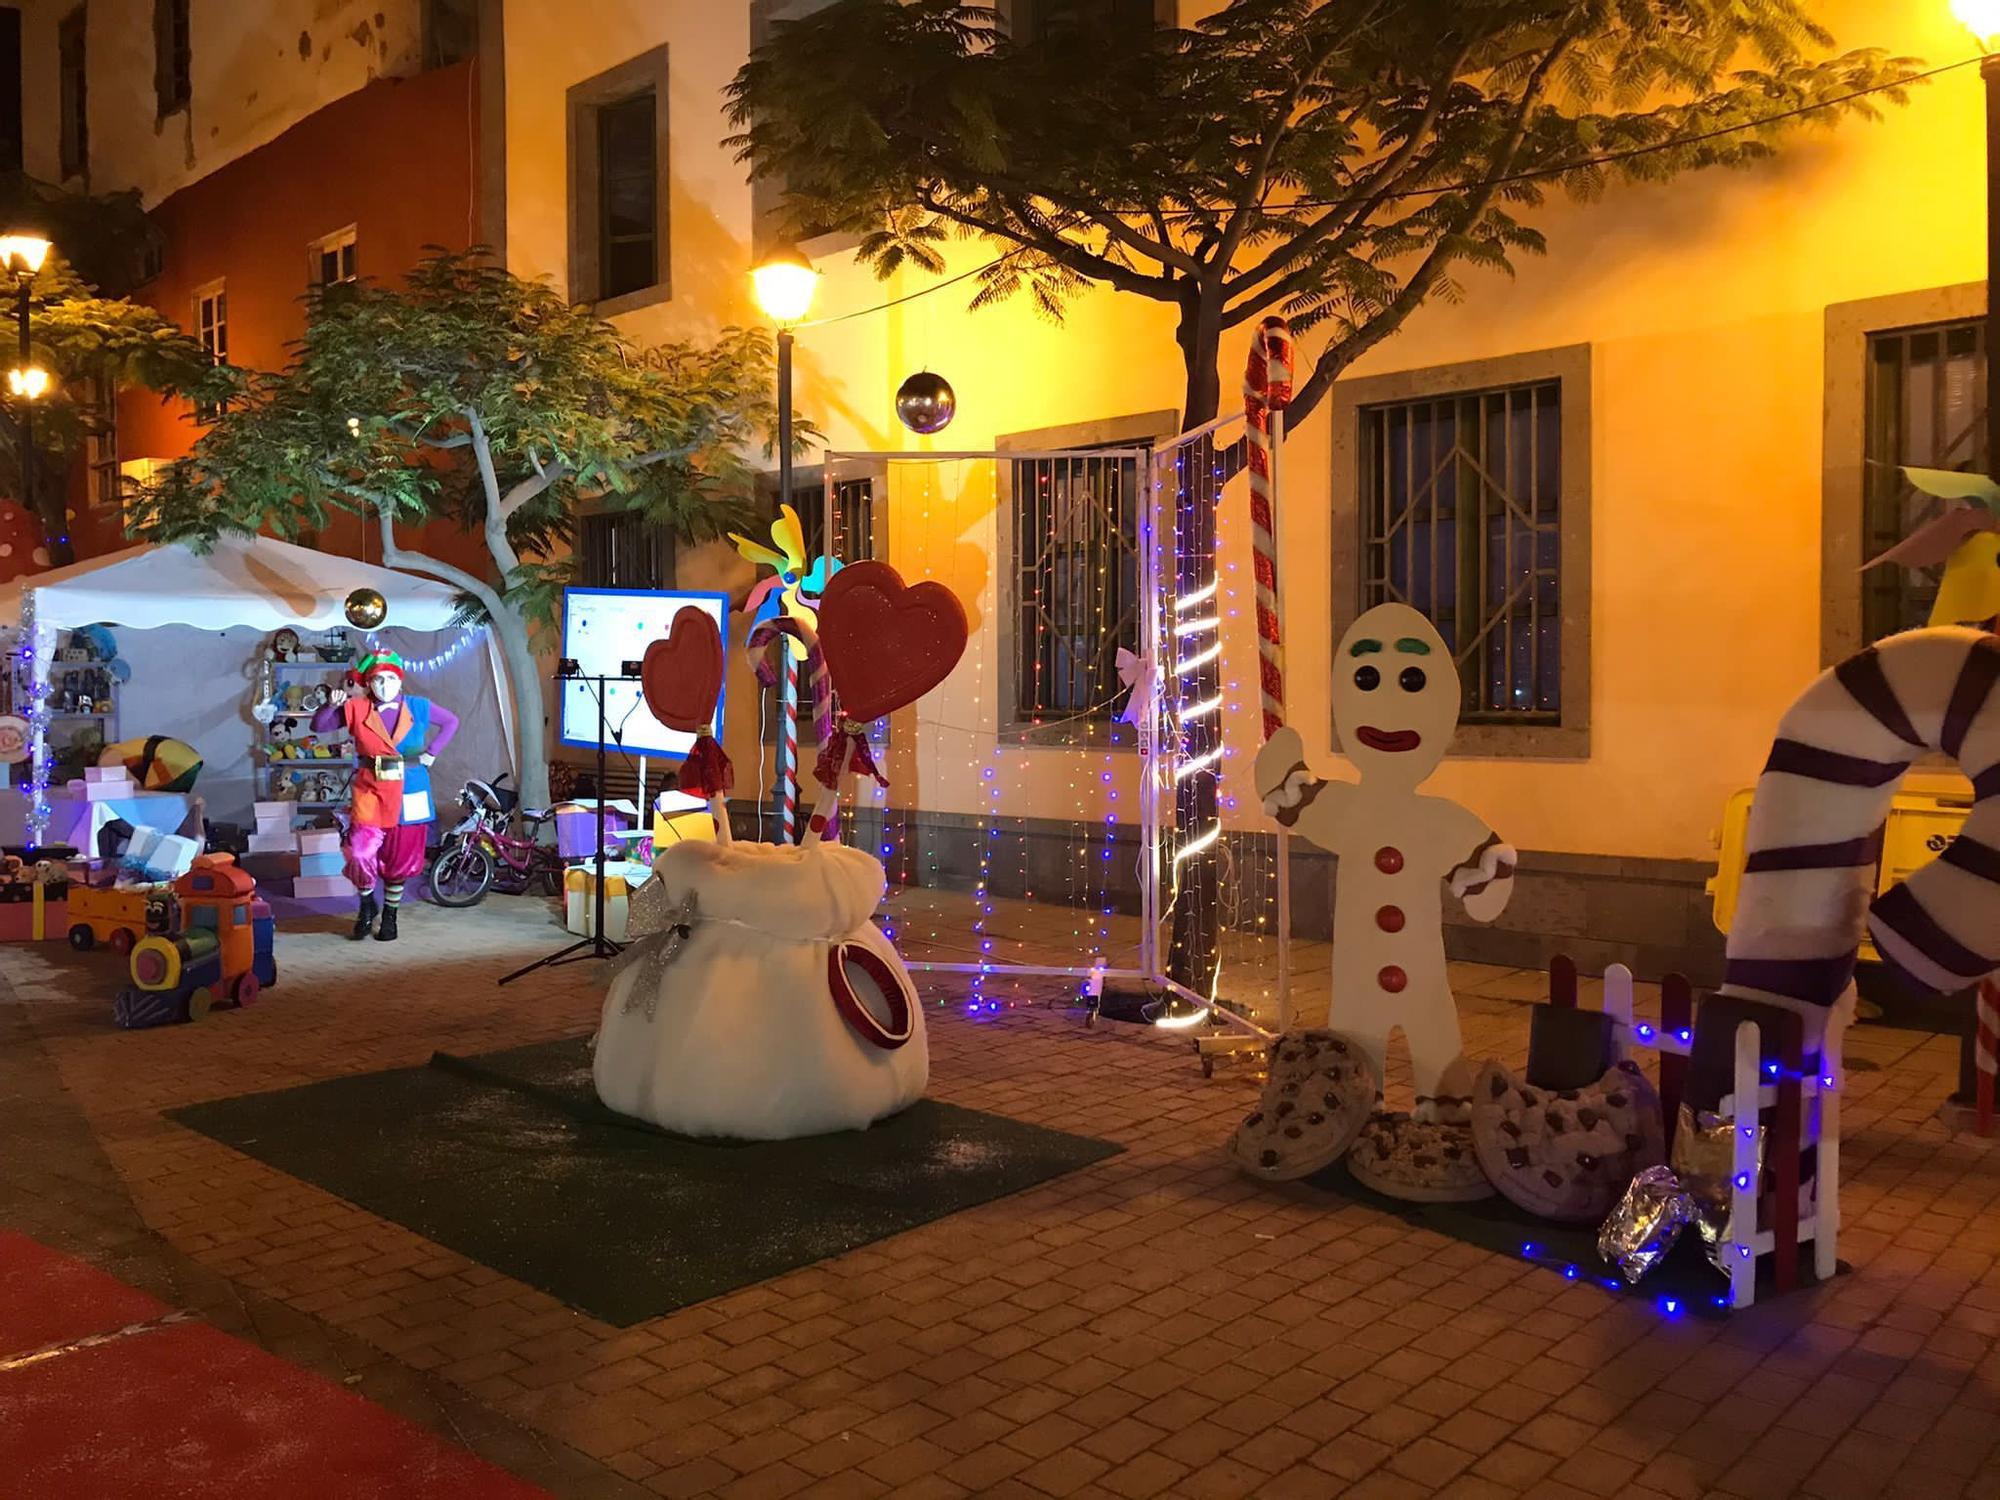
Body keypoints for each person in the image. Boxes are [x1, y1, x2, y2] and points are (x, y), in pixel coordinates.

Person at [312, 649, 459, 941]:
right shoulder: (357, 707)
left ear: (400, 680)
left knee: (400, 857)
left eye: (391, 678)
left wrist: (432, 753)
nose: (384, 685)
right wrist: (330, 705)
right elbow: (319, 726)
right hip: (371, 788)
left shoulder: (418, 706)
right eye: (378, 679)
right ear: (368, 682)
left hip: (410, 788)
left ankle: (391, 915)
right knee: (360, 851)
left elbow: (452, 722)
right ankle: (367, 903)